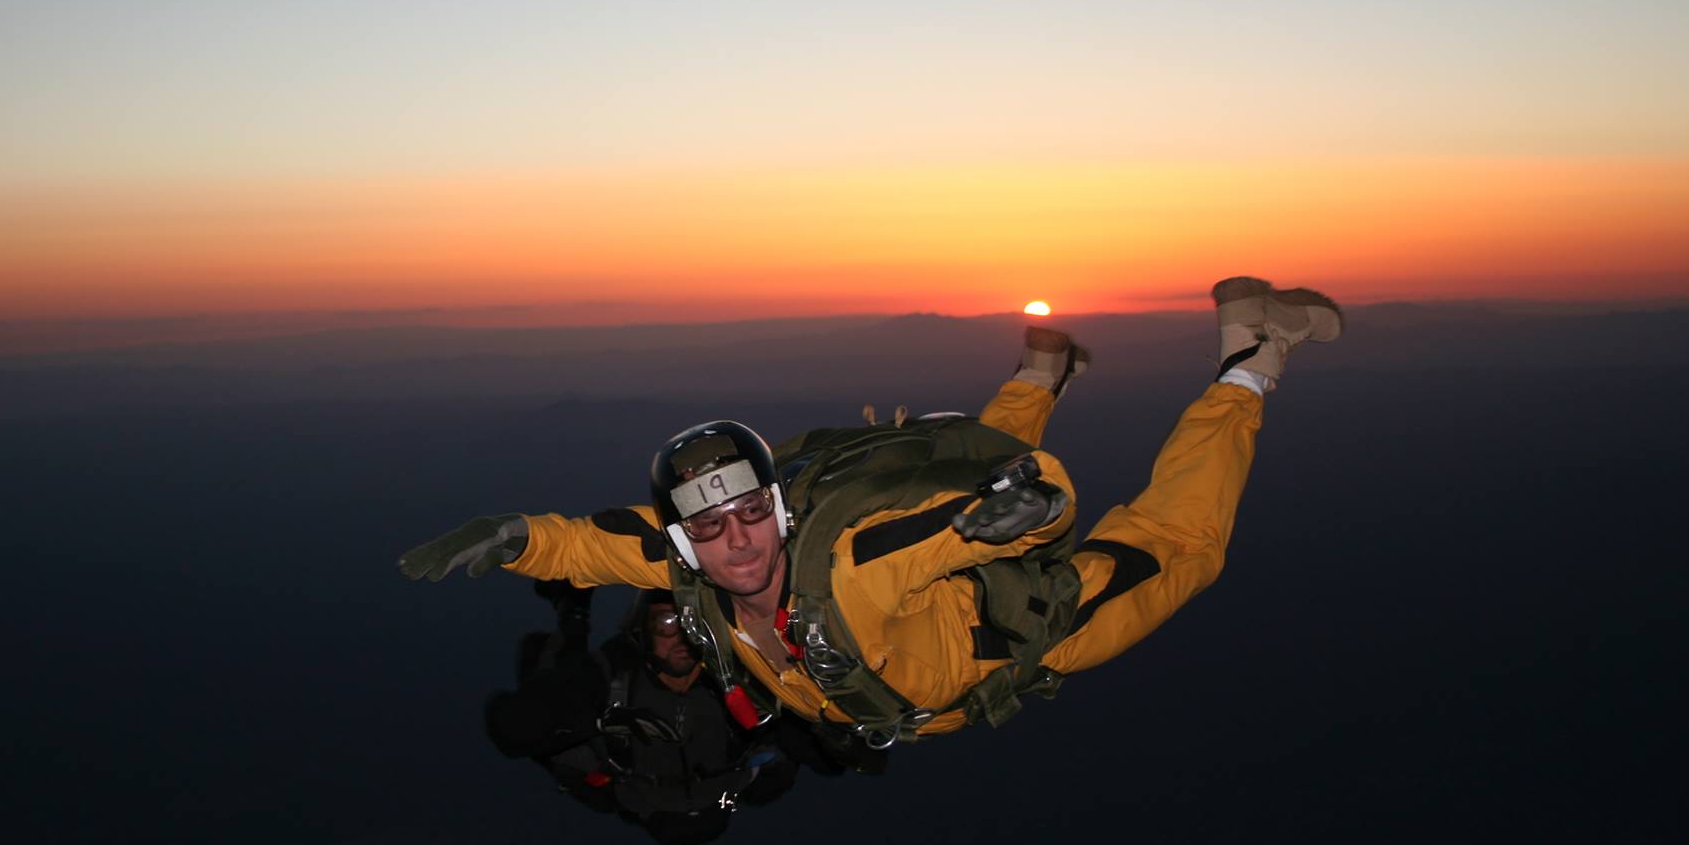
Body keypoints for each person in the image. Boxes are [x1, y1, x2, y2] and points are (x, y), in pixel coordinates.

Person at [405, 277, 1342, 745]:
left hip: (1023, 630)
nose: (734, 543)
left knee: (1180, 543)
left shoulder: (858, 561)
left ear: (774, 505)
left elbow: (1013, 504)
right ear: (682, 536)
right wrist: (513, 538)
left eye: (746, 514)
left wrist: (1032, 513)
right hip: (915, 680)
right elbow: (593, 545)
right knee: (986, 456)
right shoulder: (682, 560)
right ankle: (1040, 367)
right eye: (706, 525)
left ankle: (1253, 357)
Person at [484, 581, 801, 844]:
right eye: (666, 623)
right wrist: (594, 716)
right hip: (715, 788)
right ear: (643, 631)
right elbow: (515, 730)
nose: (681, 636)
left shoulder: (743, 677)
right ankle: (573, 613)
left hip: (687, 791)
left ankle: (573, 611)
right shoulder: (614, 680)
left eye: (693, 622)